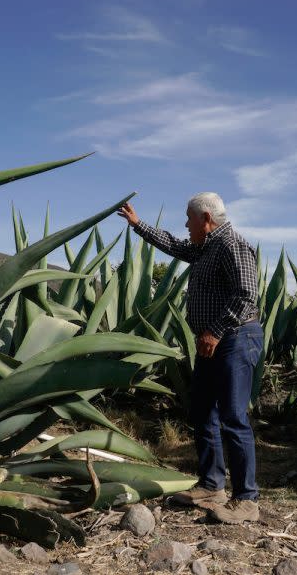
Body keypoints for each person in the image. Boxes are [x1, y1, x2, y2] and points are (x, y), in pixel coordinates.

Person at [117, 192, 263, 524]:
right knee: (202, 411)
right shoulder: (205, 246)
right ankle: (212, 485)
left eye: (188, 218)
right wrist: (139, 225)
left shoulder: (232, 245)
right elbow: (174, 246)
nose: (185, 224)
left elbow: (247, 296)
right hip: (213, 342)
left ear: (206, 218)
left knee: (233, 417)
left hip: (235, 338)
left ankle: (247, 500)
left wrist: (214, 331)